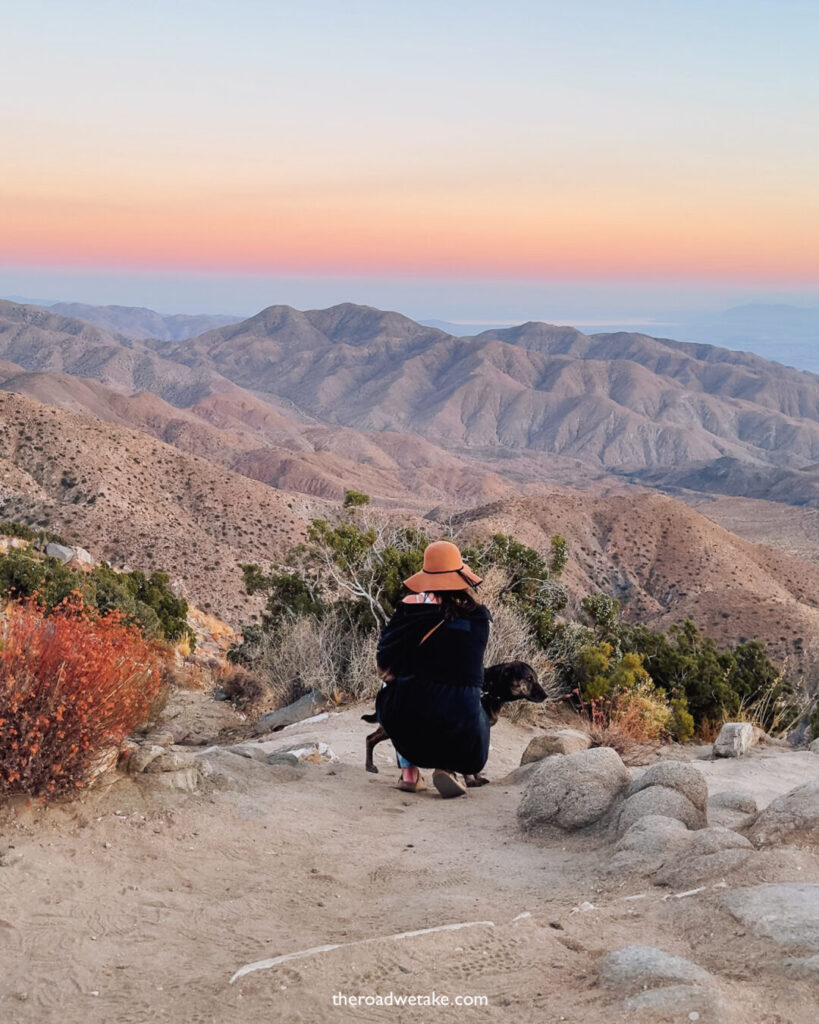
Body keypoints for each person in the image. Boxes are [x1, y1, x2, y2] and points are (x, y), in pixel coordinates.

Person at [375, 540, 491, 798]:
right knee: (462, 698)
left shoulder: (411, 611)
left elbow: (383, 662)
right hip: (468, 739)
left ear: (427, 577)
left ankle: (409, 774)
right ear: (461, 576)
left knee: (392, 688)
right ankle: (448, 766)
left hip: (413, 730)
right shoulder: (480, 618)